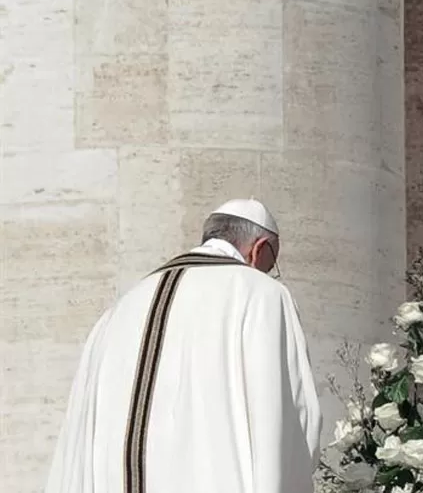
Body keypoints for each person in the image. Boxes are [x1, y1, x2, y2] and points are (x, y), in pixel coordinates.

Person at [45, 199, 322, 493]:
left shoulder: (117, 312)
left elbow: (75, 446)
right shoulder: (262, 295)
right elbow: (293, 422)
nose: (268, 273)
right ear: (260, 248)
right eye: (271, 265)